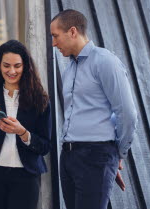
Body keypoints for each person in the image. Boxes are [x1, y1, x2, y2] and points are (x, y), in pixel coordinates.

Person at [50, 9, 138, 209]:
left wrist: (116, 154)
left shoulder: (105, 61)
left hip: (95, 155)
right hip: (69, 155)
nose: (53, 43)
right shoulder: (70, 69)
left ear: (73, 31)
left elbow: (127, 113)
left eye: (55, 36)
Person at [0, 40, 52, 209]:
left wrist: (23, 132)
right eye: (6, 65)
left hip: (26, 177)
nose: (12, 71)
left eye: (17, 66)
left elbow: (45, 146)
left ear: (26, 67)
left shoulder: (40, 101)